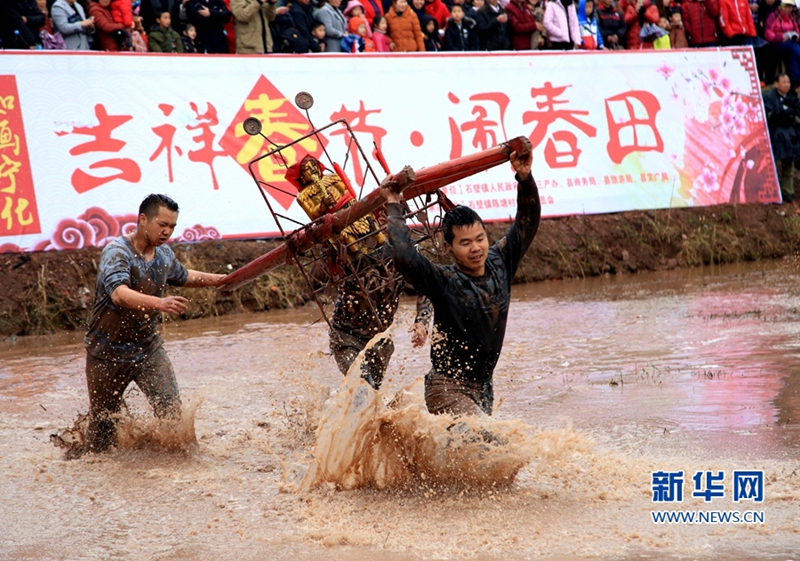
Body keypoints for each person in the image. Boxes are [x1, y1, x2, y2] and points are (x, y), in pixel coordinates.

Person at [382, 147, 540, 417]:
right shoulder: (444, 281)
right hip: (447, 388)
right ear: (449, 248)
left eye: (480, 239)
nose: (476, 248)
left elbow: (527, 222)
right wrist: (394, 206)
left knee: (475, 443)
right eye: (465, 243)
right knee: (490, 439)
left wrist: (524, 177)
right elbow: (405, 257)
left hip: (484, 387)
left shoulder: (502, 261)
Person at [83, 194, 226, 453]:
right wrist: (160, 303)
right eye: (162, 224)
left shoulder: (164, 254)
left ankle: (178, 464)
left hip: (148, 349)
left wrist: (220, 280)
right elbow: (119, 294)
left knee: (171, 411)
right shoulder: (118, 252)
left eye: (172, 226)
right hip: (106, 352)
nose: (167, 231)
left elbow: (184, 276)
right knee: (102, 429)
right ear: (143, 220)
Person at [763, 73, 800, 202]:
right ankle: (773, 190)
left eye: (788, 82)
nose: (786, 85)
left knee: (790, 161)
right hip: (775, 131)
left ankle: (787, 191)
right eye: (783, 82)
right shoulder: (768, 96)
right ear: (776, 84)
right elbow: (768, 115)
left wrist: (793, 115)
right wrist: (781, 115)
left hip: (791, 131)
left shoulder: (792, 97)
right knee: (774, 161)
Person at [765, 0, 800, 86]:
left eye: (790, 7)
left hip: (790, 43)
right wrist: (782, 37)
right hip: (776, 44)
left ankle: (795, 80)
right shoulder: (773, 16)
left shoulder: (793, 17)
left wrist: (795, 36)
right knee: (793, 47)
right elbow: (768, 34)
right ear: (781, 7)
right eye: (786, 7)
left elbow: (797, 30)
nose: (788, 9)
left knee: (792, 54)